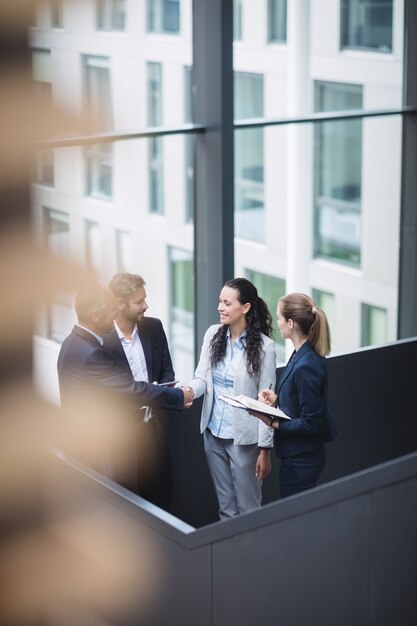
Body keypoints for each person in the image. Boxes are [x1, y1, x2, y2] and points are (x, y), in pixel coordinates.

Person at [57, 282, 194, 484]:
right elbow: (132, 389)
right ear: (95, 316)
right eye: (112, 310)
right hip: (101, 453)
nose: (115, 316)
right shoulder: (92, 354)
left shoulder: (71, 343)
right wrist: (179, 396)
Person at [187, 278, 276, 519]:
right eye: (220, 301)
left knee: (249, 510)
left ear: (245, 308)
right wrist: (187, 392)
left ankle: (253, 556)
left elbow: (266, 402)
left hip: (244, 441)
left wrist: (265, 449)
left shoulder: (265, 347)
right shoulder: (212, 334)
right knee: (225, 508)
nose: (220, 307)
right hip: (213, 434)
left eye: (227, 303)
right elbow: (202, 378)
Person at [253, 292, 337, 498]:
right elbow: (300, 399)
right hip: (298, 456)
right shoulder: (302, 353)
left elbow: (310, 423)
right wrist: (277, 400)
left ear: (290, 323)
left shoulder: (307, 364)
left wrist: (273, 423)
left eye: (280, 317)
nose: (277, 322)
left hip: (301, 460)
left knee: (296, 522)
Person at [104, 272, 175, 508]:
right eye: (139, 301)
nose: (146, 305)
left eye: (145, 299)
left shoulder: (154, 328)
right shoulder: (102, 341)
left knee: (161, 501)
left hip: (154, 431)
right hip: (120, 439)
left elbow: (168, 375)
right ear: (120, 305)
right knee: (127, 507)